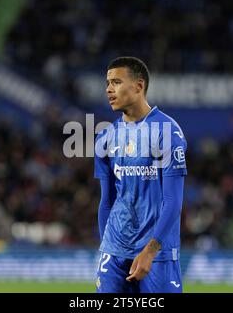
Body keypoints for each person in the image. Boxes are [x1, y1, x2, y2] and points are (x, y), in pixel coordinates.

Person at [94, 56, 187, 293]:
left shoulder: (167, 132)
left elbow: (173, 201)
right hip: (114, 253)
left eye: (116, 82)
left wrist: (151, 250)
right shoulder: (105, 137)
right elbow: (107, 201)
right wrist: (106, 247)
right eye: (107, 83)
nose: (108, 89)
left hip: (156, 254)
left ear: (139, 86)